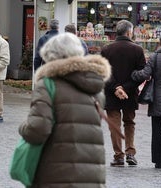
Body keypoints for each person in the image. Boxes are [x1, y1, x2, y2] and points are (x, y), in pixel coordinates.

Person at [19, 32, 111, 187]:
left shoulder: (48, 86)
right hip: (92, 176)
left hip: (57, 174)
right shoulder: (95, 88)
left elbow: (37, 129)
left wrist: (23, 127)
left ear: (50, 56)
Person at [101, 20, 146, 166]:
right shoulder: (137, 50)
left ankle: (118, 156)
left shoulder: (106, 49)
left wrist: (116, 88)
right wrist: (125, 88)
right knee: (129, 123)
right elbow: (141, 74)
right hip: (130, 93)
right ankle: (130, 153)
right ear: (129, 32)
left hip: (110, 93)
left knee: (114, 125)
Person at [131, 31, 161, 169]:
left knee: (157, 130)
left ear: (160, 42)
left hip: (157, 99)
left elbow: (145, 74)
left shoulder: (155, 57)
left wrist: (134, 74)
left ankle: (158, 160)